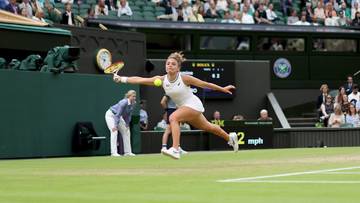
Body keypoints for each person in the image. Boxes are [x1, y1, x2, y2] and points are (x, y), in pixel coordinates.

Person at [113, 52, 238, 159]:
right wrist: (122, 79)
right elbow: (140, 80)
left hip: (193, 104)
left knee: (173, 118)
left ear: (178, 68)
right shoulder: (161, 80)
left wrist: (222, 88)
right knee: (209, 127)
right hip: (184, 107)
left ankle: (175, 149)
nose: (170, 66)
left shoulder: (184, 78)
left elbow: (205, 84)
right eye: (168, 63)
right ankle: (230, 138)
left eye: (173, 64)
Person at [105, 90, 136, 157]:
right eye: (133, 96)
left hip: (118, 116)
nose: (134, 98)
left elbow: (129, 115)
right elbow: (117, 115)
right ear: (129, 96)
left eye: (135, 96)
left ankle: (127, 152)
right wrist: (115, 125)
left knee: (127, 131)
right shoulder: (123, 103)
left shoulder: (133, 103)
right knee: (114, 131)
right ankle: (113, 153)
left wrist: (127, 124)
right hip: (111, 115)